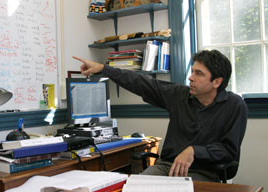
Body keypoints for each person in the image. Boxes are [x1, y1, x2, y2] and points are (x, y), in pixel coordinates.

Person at [73, 50, 248, 182]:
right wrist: (104, 69)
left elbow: (228, 151)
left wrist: (195, 151)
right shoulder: (179, 95)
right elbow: (141, 83)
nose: (190, 78)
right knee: (135, 186)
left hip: (204, 172)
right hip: (166, 167)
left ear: (216, 82)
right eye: (192, 71)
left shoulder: (234, 105)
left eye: (198, 73)